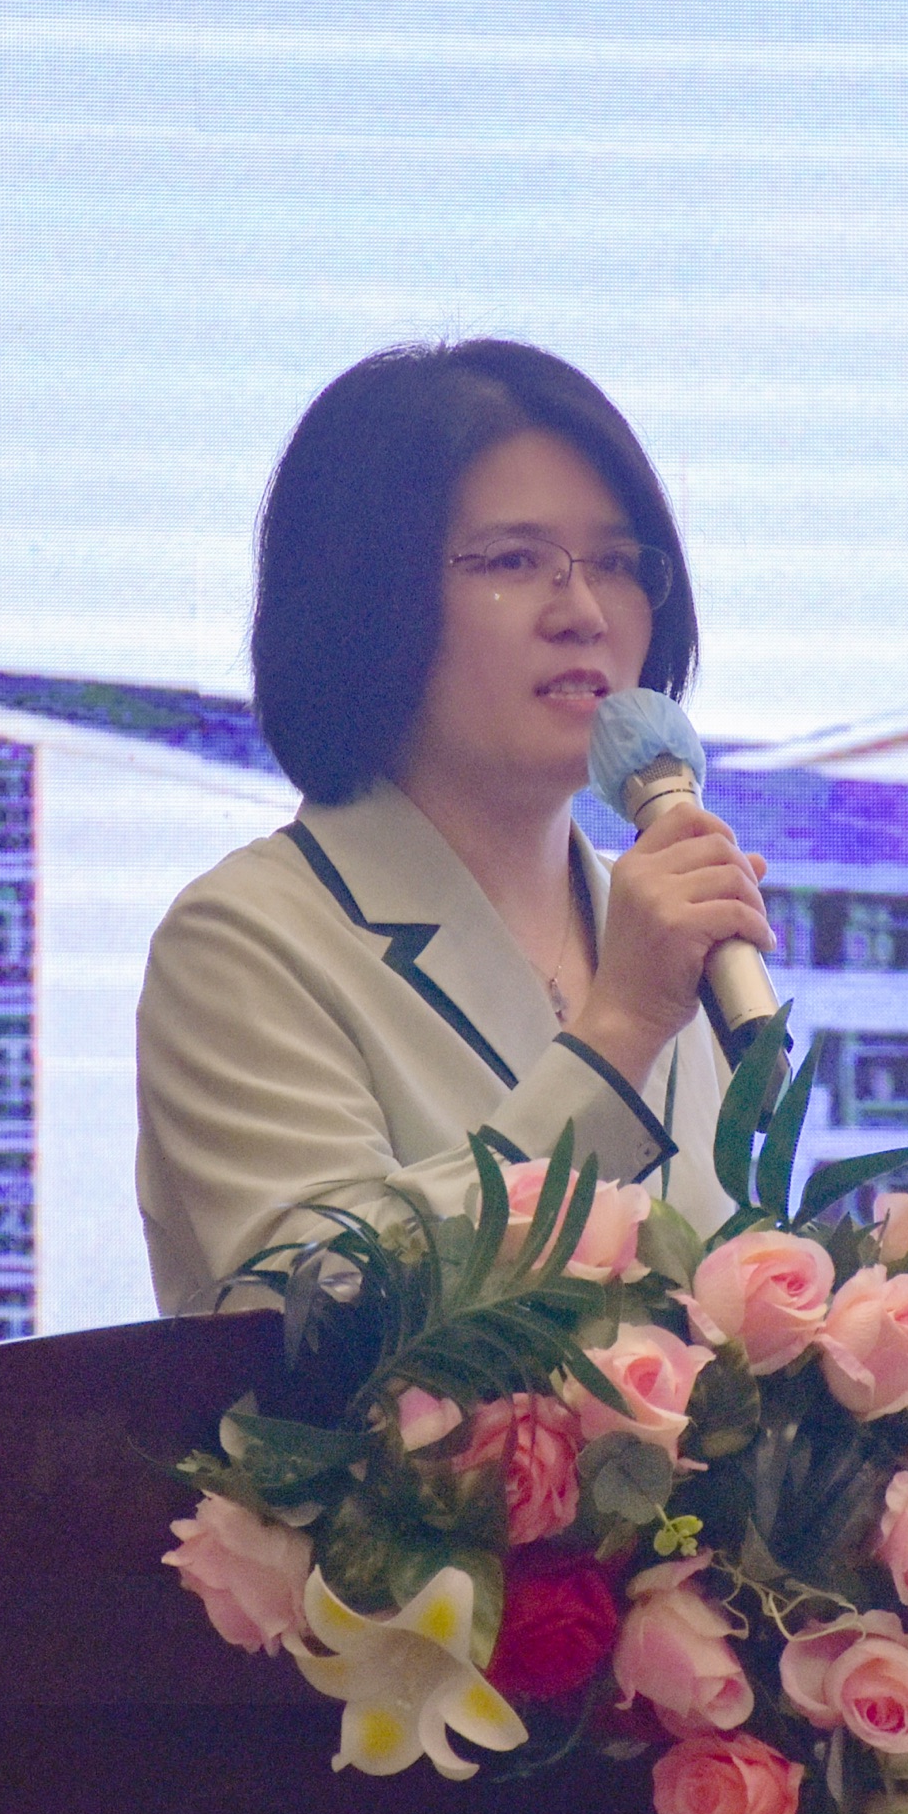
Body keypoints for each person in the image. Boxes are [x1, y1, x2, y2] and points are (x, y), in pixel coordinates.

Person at [136, 341, 773, 1315]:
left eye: (615, 564)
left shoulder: (667, 940)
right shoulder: (246, 939)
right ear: (364, 600)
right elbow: (320, 1314)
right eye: (514, 561)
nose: (584, 612)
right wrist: (615, 1036)